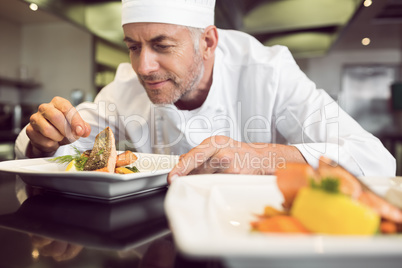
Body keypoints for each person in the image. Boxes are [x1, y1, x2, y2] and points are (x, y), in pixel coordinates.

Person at [15, 0, 395, 182]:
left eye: (163, 46)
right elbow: (53, 148)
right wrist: (46, 139)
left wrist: (258, 156)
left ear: (208, 42)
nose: (143, 66)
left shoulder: (270, 72)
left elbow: (375, 161)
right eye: (133, 46)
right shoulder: (125, 89)